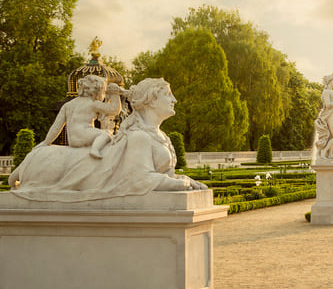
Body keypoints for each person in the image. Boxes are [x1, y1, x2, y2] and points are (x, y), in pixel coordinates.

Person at [11, 78, 206, 200]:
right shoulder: (138, 137)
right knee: (103, 136)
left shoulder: (159, 136)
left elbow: (160, 176)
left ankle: (95, 149)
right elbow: (139, 180)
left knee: (104, 136)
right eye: (168, 95)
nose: (174, 100)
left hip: (80, 137)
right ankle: (95, 150)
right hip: (79, 146)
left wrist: (181, 179)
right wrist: (180, 183)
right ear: (151, 100)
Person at [41, 74, 123, 158]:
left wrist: (46, 142)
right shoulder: (93, 104)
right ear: (98, 90)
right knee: (106, 135)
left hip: (73, 139)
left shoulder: (68, 105)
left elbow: (56, 126)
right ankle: (95, 149)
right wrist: (115, 94)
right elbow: (114, 110)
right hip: (84, 135)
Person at [313, 74, 333, 160]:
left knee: (332, 137)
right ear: (330, 81)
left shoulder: (332, 92)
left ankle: (330, 154)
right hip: (330, 116)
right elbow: (328, 105)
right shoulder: (326, 92)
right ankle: (323, 152)